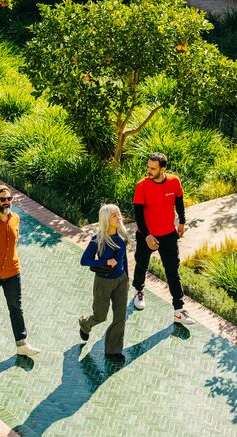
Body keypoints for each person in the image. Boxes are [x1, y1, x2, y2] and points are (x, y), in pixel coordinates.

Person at [131, 152, 195, 325]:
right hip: (146, 234)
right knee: (142, 264)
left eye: (153, 168)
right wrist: (147, 236)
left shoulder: (174, 181)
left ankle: (179, 310)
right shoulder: (142, 185)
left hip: (168, 235)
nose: (149, 171)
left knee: (173, 270)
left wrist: (182, 222)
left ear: (163, 168)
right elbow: (138, 214)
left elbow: (179, 201)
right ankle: (139, 290)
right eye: (148, 167)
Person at [0, 185, 40, 357]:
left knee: (16, 307)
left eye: (9, 199)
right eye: (3, 199)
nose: (7, 202)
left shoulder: (15, 219)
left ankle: (22, 344)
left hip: (13, 271)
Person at [79, 204, 130, 361]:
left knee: (120, 317)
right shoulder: (98, 240)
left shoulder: (121, 238)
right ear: (106, 219)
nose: (118, 217)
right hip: (104, 282)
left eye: (118, 214)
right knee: (100, 316)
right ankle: (85, 324)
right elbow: (84, 261)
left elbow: (124, 259)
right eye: (114, 215)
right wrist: (105, 262)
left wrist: (127, 278)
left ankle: (113, 351)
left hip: (121, 280)